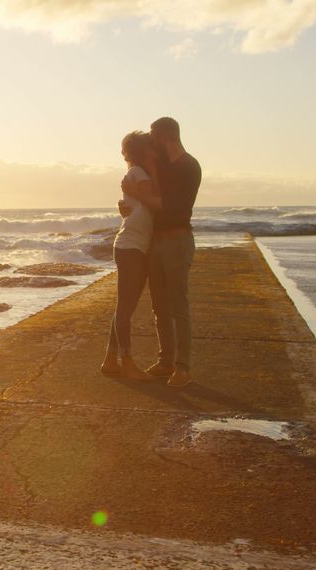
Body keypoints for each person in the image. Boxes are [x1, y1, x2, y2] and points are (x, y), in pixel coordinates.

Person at [120, 117, 201, 388]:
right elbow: (147, 194)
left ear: (165, 135)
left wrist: (136, 195)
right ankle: (166, 361)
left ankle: (183, 368)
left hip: (177, 241)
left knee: (178, 305)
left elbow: (168, 207)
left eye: (153, 136)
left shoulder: (188, 166)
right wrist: (128, 203)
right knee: (159, 307)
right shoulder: (163, 166)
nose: (150, 141)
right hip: (156, 241)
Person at [100, 131, 159, 380]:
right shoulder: (139, 174)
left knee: (125, 307)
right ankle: (127, 363)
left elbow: (140, 207)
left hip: (132, 245)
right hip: (131, 247)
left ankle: (111, 359)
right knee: (125, 308)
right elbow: (155, 203)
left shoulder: (134, 174)